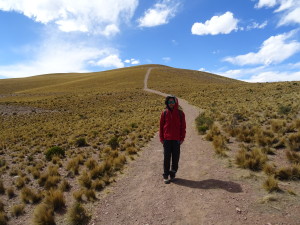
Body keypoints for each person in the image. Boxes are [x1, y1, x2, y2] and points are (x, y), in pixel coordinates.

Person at [159, 95, 186, 184]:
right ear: (167, 103)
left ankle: (173, 173)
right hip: (167, 140)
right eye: (169, 102)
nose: (171, 104)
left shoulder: (180, 114)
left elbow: (183, 127)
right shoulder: (164, 113)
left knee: (175, 158)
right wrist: (161, 138)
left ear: (176, 103)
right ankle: (166, 175)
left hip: (176, 140)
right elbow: (161, 127)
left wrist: (182, 138)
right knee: (166, 158)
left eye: (173, 102)